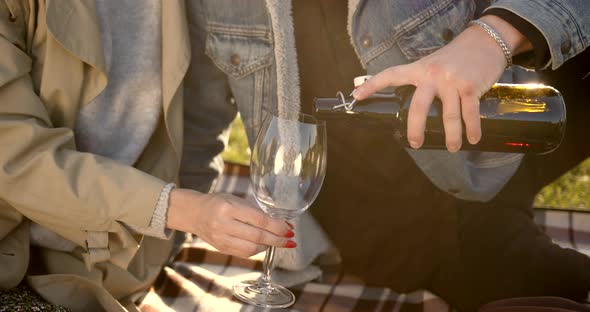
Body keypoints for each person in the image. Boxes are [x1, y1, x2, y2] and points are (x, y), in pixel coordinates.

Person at [184, 0, 590, 311]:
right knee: (545, 283)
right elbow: (197, 124)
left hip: (493, 134)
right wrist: (183, 215)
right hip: (397, 227)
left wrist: (493, 36)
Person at [0, 1, 296, 310]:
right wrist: (183, 210)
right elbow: (16, 155)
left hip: (129, 264)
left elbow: (201, 119)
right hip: (14, 255)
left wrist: (174, 233)